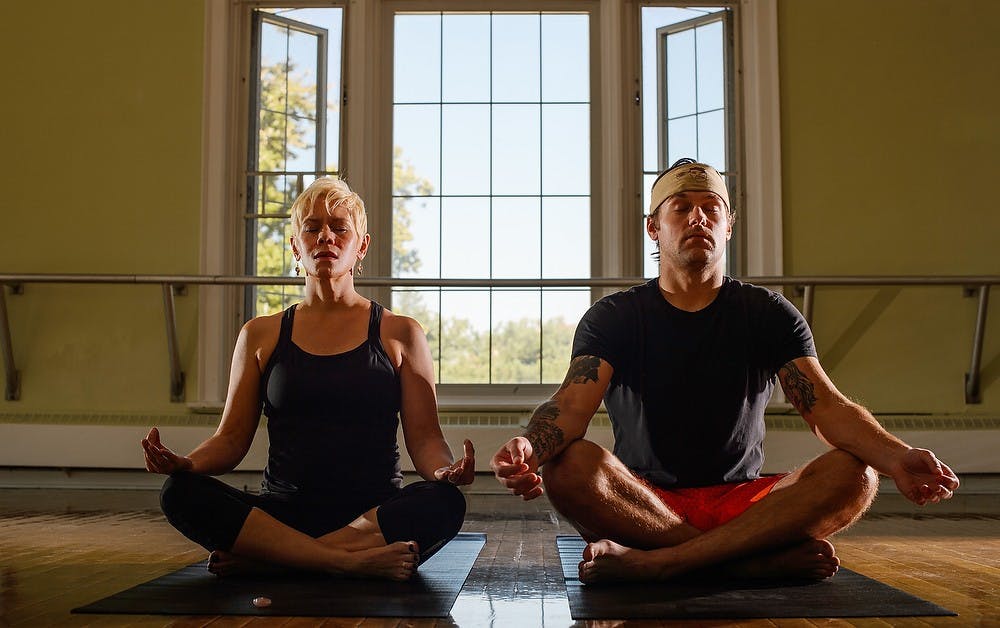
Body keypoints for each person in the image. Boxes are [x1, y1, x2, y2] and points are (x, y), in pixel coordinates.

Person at [490, 158, 959, 584]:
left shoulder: (769, 313)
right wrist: (532, 446)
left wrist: (899, 456)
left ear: (728, 226)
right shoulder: (614, 317)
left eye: (711, 207)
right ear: (653, 228)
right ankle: (745, 562)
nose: (698, 217)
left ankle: (664, 563)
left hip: (744, 506)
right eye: (681, 207)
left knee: (858, 474)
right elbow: (570, 407)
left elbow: (827, 409)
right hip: (644, 504)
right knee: (568, 465)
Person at [142, 176, 474, 582]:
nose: (326, 237)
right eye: (312, 228)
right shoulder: (259, 335)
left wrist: (444, 472)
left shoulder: (400, 333)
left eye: (339, 228)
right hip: (283, 515)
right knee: (180, 491)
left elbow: (425, 439)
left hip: (371, 520)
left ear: (361, 247)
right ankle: (343, 562)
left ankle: (277, 559)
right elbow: (230, 439)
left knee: (445, 502)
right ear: (295, 246)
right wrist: (188, 463)